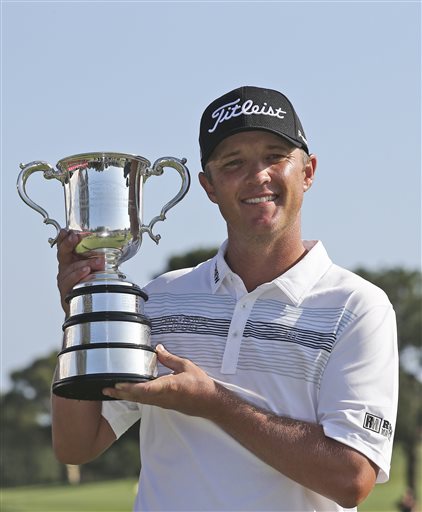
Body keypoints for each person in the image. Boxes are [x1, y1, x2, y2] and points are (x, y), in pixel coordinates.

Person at [52, 86, 399, 512]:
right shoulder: (158, 300)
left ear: (307, 172)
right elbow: (77, 444)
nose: (258, 176)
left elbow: (351, 478)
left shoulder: (358, 308)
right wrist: (82, 314)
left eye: (275, 156)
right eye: (233, 163)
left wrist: (214, 402)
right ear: (209, 186)